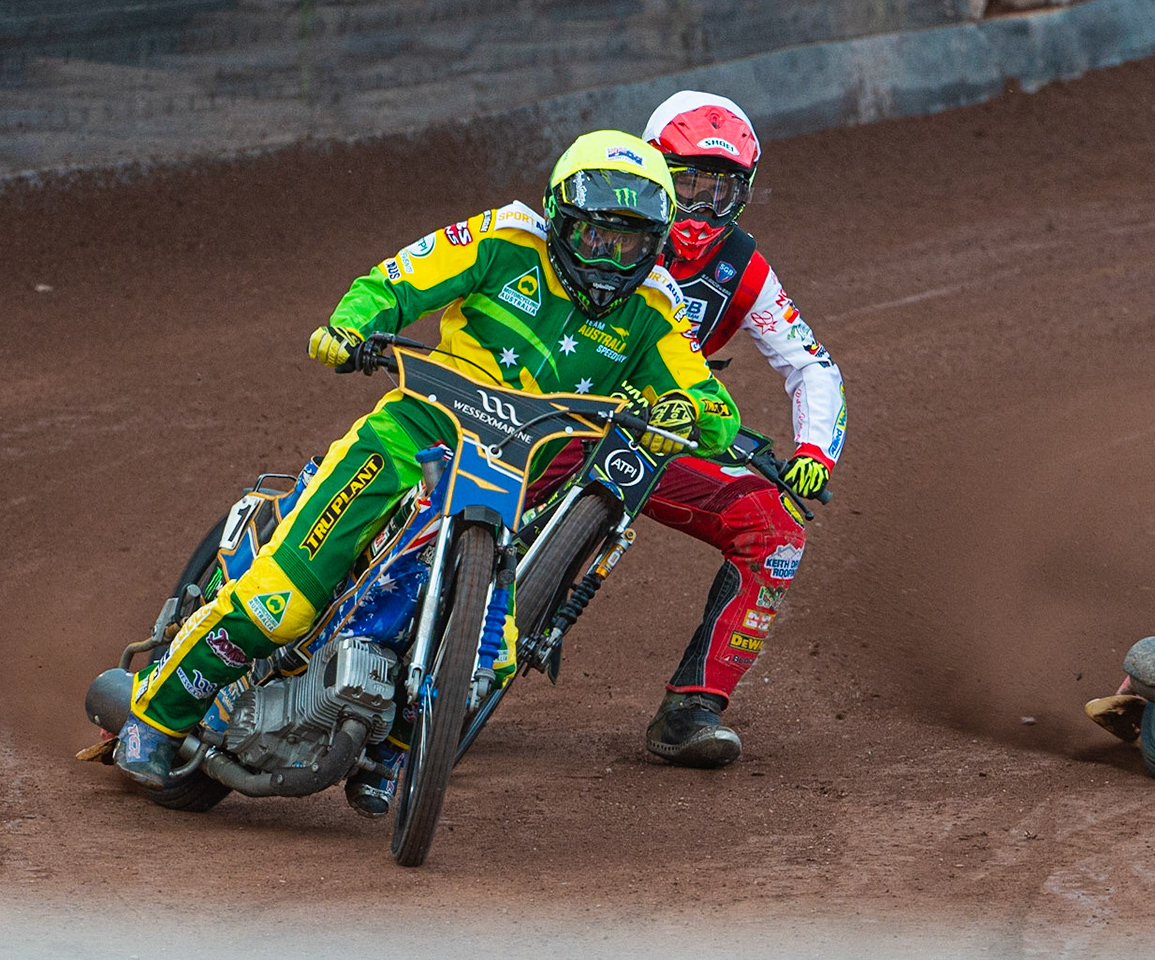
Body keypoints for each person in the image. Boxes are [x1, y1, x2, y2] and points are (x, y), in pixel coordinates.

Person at [115, 131, 742, 814]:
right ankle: (156, 719)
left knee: (490, 655)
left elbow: (714, 404)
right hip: (409, 435)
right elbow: (394, 281)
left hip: (508, 479)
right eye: (595, 237)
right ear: (560, 218)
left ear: (654, 243)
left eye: (629, 242)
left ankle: (393, 750)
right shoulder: (504, 237)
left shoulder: (655, 305)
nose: (610, 257)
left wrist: (689, 409)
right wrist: (351, 327)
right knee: (282, 603)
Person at [625, 90, 847, 768]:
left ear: (743, 195)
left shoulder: (743, 267)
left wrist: (816, 450)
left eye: (719, 190)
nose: (700, 205)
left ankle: (691, 708)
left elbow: (812, 365)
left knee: (775, 529)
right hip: (550, 417)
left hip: (660, 439)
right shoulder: (596, 219)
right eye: (686, 182)